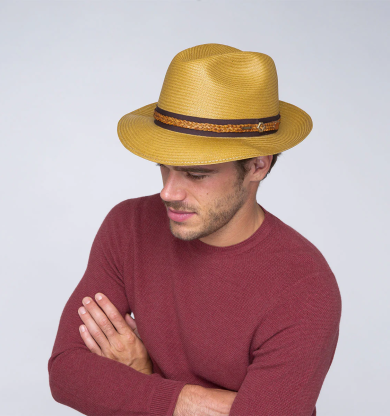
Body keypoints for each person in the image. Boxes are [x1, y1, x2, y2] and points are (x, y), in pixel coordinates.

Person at [48, 43, 341, 416]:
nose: (168, 192)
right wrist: (184, 401)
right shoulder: (130, 226)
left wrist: (142, 377)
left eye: (196, 174)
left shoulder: (304, 286)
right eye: (164, 166)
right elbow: (67, 372)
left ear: (258, 165)